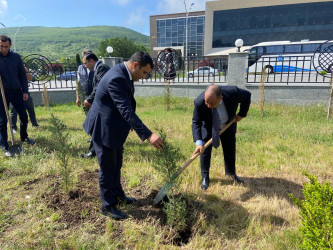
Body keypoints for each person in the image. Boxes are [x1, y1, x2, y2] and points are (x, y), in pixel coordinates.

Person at [83, 51, 164, 220]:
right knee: (107, 168)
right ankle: (108, 206)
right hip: (103, 127)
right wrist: (148, 135)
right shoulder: (117, 78)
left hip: (114, 126)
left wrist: (128, 124)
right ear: (135, 65)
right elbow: (125, 109)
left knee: (117, 163)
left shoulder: (124, 73)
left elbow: (125, 103)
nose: (144, 77)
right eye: (144, 72)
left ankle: (118, 195)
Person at [192, 84, 251, 190]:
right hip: (209, 127)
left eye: (212, 103)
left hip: (228, 124)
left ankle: (231, 173)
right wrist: (199, 143)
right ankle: (205, 177)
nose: (208, 105)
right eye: (207, 102)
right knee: (205, 151)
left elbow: (247, 96)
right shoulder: (199, 102)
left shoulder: (233, 92)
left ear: (220, 98)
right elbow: (196, 122)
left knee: (229, 148)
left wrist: (242, 114)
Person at [0, 35, 35, 157]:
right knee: (3, 121)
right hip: (2, 93)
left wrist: (25, 91)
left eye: (6, 47)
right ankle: (5, 145)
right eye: (1, 46)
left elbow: (22, 76)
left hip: (16, 92)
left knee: (24, 117)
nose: (3, 49)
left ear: (9, 46)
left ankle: (24, 137)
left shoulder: (16, 57)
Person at [80, 52, 110, 158]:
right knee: (95, 126)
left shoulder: (102, 68)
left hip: (104, 104)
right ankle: (95, 151)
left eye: (85, 63)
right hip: (101, 104)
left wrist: (89, 99)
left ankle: (94, 152)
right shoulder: (99, 68)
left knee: (94, 126)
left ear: (91, 61)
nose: (85, 66)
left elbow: (100, 85)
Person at [11, 66, 39, 134]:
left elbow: (32, 79)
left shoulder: (24, 72)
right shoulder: (12, 72)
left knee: (31, 109)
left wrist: (26, 72)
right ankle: (13, 128)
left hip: (26, 94)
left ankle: (34, 124)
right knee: (14, 112)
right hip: (15, 94)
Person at [76, 49, 92, 113]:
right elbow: (78, 83)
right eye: (83, 57)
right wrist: (78, 98)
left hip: (94, 97)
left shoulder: (97, 68)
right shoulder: (80, 68)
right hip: (85, 97)